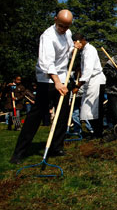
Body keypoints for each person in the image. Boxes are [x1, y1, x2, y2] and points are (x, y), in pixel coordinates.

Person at [10, 9, 82, 164]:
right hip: (47, 80)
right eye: (61, 26)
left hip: (63, 77)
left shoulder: (68, 34)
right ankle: (19, 152)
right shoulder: (48, 36)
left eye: (67, 27)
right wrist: (56, 82)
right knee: (36, 115)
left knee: (63, 114)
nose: (64, 29)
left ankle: (57, 147)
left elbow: (67, 53)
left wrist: (75, 48)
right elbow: (47, 63)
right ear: (55, 19)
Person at [71, 33, 106, 139]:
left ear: (81, 41)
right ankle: (95, 132)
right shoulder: (84, 51)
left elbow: (88, 71)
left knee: (94, 109)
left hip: (96, 82)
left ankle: (98, 133)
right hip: (90, 83)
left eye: (77, 44)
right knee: (88, 109)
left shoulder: (90, 51)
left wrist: (78, 85)